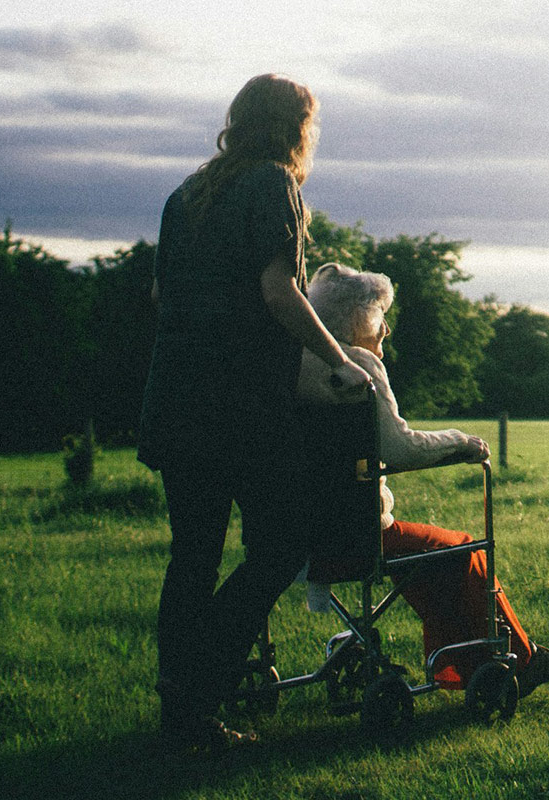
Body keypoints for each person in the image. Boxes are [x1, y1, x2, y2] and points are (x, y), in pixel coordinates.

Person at [137, 73, 372, 749]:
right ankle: (200, 684)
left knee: (194, 557)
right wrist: (338, 359)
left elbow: (163, 293)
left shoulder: (187, 194)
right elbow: (279, 291)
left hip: (174, 397)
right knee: (281, 544)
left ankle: (181, 709)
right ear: (296, 126)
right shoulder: (274, 185)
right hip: (236, 407)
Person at [293, 264, 549, 695]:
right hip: (357, 534)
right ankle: (520, 660)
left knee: (430, 556)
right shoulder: (357, 366)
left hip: (301, 533)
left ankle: (462, 667)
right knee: (461, 548)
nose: (386, 327)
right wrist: (461, 442)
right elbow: (399, 448)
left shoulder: (296, 363)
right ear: (355, 319)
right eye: (379, 314)